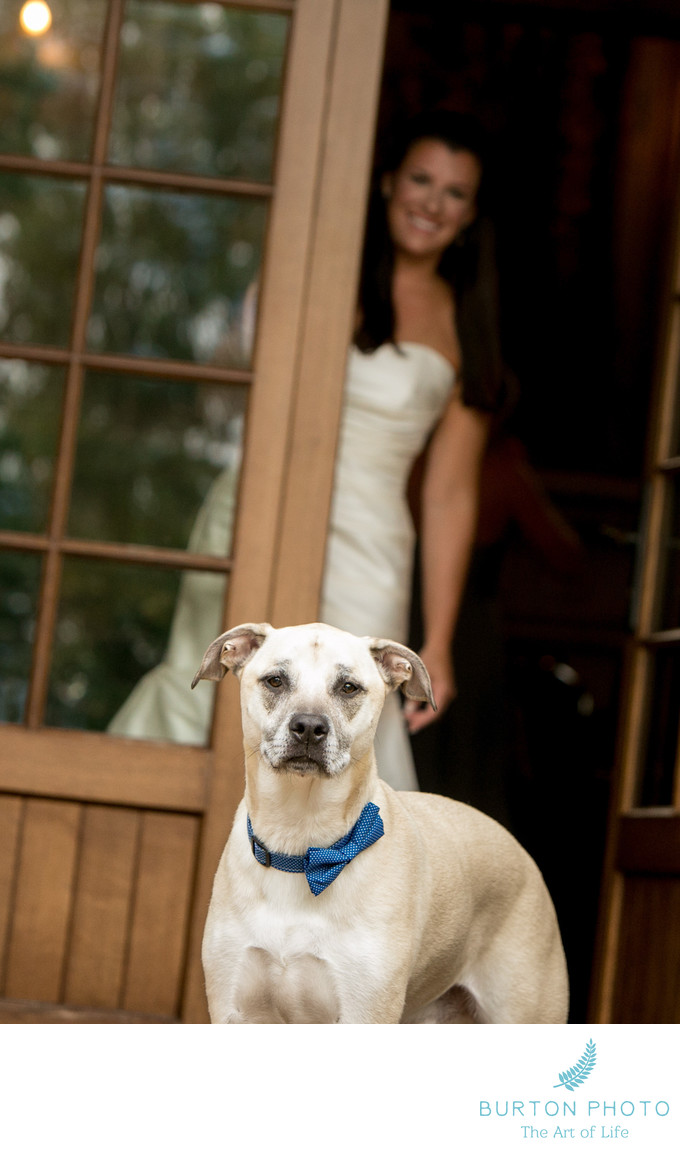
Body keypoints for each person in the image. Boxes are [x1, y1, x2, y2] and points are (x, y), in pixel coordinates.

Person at [109, 110, 504, 790]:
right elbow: (224, 397)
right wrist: (259, 306)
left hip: (371, 545)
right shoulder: (327, 275)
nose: (431, 203)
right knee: (212, 682)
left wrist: (438, 636)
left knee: (339, 717)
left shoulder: (465, 321)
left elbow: (448, 493)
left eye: (454, 192)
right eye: (419, 179)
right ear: (386, 183)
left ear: (470, 215)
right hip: (258, 499)